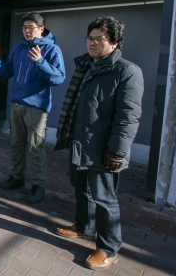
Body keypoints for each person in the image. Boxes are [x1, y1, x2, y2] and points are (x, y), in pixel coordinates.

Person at [55, 17, 143, 270]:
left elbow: (128, 117)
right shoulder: (87, 65)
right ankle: (84, 227)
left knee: (105, 199)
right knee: (81, 189)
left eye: (99, 39)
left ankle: (108, 248)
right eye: (90, 38)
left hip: (103, 149)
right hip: (80, 142)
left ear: (114, 43)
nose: (92, 43)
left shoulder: (125, 71)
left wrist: (116, 151)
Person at [0, 12, 65, 204]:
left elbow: (58, 78)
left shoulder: (52, 50)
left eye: (31, 27)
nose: (26, 31)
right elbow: (6, 72)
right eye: (24, 27)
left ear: (41, 29)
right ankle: (17, 177)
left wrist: (40, 61)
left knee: (36, 148)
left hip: (36, 109)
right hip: (17, 106)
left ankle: (38, 185)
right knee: (16, 144)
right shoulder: (18, 49)